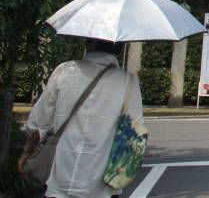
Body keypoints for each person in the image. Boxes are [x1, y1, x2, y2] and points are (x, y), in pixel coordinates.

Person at [19, 39, 143, 198]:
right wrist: (121, 175)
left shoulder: (65, 70)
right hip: (101, 185)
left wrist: (27, 152)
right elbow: (135, 131)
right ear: (119, 47)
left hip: (60, 179)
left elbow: (38, 122)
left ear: (89, 44)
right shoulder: (127, 81)